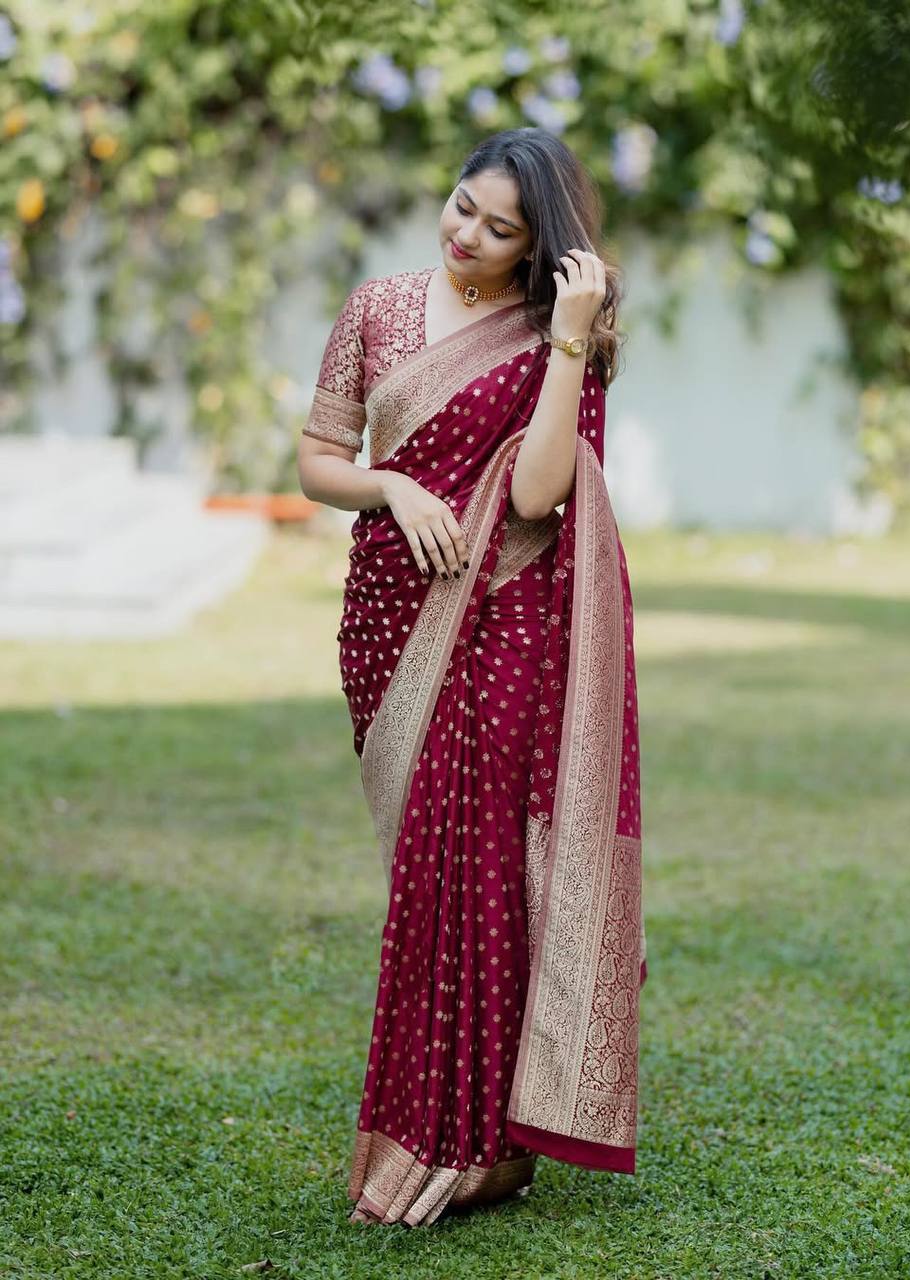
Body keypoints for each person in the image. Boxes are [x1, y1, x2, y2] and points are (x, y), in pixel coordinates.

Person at [297, 127, 646, 1228]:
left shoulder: (555, 338)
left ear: (538, 245)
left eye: (501, 229)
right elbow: (318, 461)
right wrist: (393, 488)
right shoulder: (377, 308)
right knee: (424, 879)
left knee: (481, 878)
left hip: (505, 625)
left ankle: (473, 1145)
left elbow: (538, 495)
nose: (468, 235)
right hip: (387, 616)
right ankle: (458, 1130)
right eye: (462, 206)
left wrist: (568, 338)